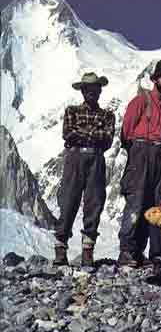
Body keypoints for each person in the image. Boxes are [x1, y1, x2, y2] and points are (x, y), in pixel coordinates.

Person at [118, 60, 161, 267]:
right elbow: (126, 132)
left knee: (156, 203)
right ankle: (127, 251)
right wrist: (138, 152)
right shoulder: (140, 101)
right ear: (155, 79)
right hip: (141, 151)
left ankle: (141, 252)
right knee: (136, 201)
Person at [54, 72, 115, 267]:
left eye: (95, 89)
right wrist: (93, 133)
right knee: (68, 201)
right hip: (76, 158)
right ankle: (61, 249)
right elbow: (67, 134)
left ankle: (87, 252)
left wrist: (82, 133)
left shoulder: (108, 115)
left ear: (100, 90)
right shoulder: (71, 111)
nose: (92, 92)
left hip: (96, 158)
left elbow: (107, 138)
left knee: (94, 202)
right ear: (83, 91)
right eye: (88, 89)